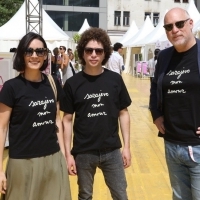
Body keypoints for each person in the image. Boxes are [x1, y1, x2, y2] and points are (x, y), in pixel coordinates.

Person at [60, 27, 132, 200]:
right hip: (84, 151)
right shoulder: (72, 84)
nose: (93, 54)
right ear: (82, 52)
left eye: (98, 51)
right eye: (89, 50)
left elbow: (123, 113)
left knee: (121, 194)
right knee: (85, 195)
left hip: (112, 149)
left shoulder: (115, 80)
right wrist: (68, 155)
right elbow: (67, 120)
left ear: (105, 53)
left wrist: (127, 147)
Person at [0, 32, 71, 200]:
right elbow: (1, 129)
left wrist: (63, 156)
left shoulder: (52, 83)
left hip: (53, 160)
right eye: (29, 51)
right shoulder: (12, 88)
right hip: (22, 163)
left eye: (40, 51)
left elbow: (57, 121)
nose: (34, 56)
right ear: (22, 54)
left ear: (45, 55)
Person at [150, 7, 200, 200]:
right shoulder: (164, 57)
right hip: (172, 143)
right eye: (169, 26)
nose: (175, 30)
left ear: (190, 24)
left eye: (179, 24)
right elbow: (155, 88)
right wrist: (156, 114)